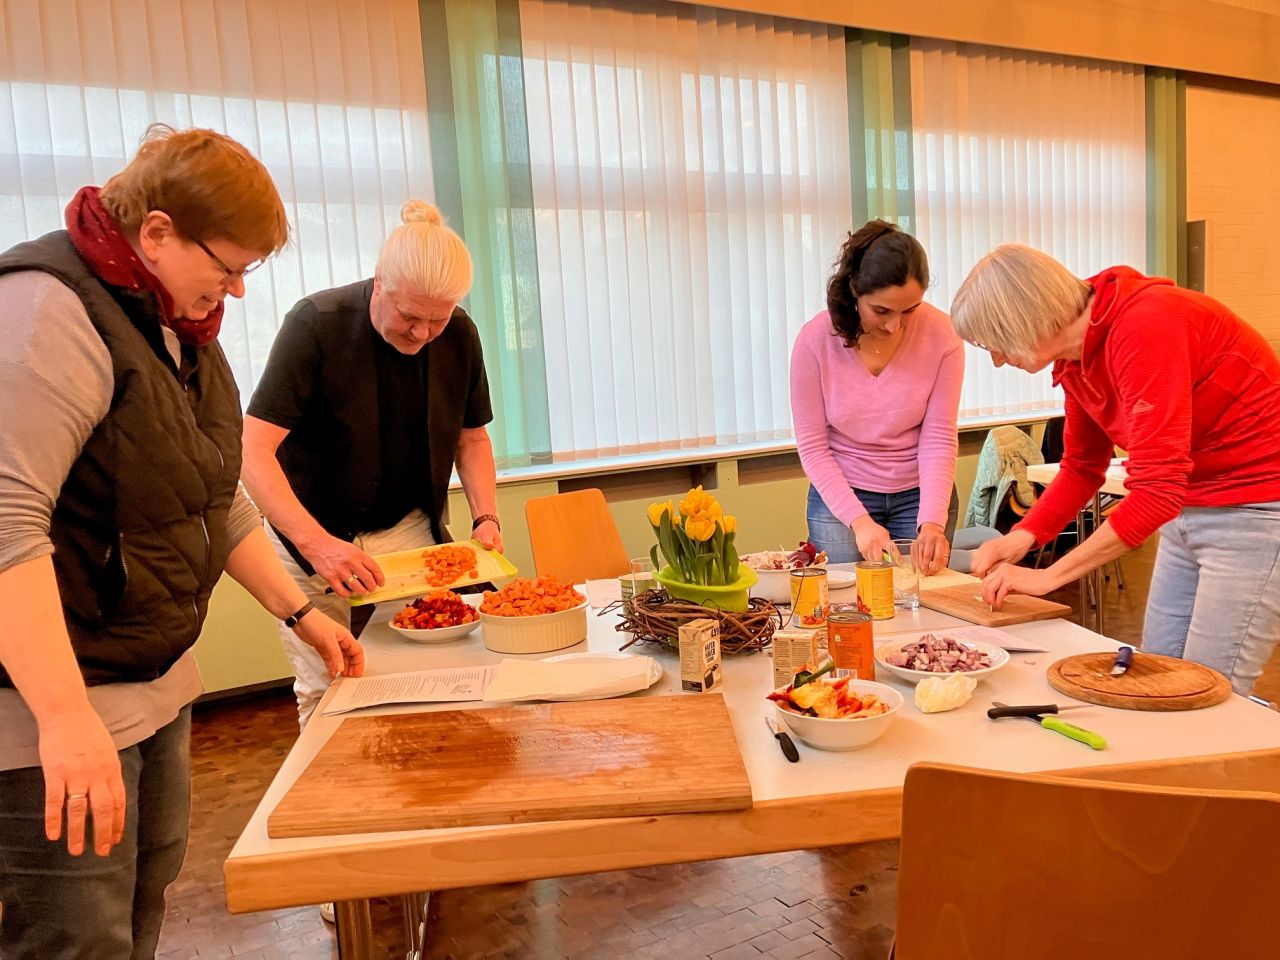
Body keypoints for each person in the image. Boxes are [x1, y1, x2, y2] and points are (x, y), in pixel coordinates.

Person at [0, 126, 364, 959]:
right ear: (156, 231)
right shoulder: (45, 312)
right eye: (227, 267)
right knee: (75, 938)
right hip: (52, 708)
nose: (235, 292)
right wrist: (63, 718)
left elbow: (214, 495)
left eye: (249, 273)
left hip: (154, 686)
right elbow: (6, 524)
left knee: (137, 915)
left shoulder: (173, 324)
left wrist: (302, 612)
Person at [952, 243, 1280, 694]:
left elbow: (1156, 491)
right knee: (1157, 672)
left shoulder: (1144, 326)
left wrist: (1049, 576)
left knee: (1213, 690)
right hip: (1190, 507)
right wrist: (1019, 539)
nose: (997, 359)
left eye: (994, 343)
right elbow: (1083, 466)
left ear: (1021, 320)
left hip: (1256, 510)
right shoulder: (1076, 358)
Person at [242, 201, 501, 727]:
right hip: (307, 529)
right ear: (380, 282)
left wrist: (486, 517)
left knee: (427, 668)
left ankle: (419, 787)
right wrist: (316, 544)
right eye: (409, 317)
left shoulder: (459, 334)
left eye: (438, 319)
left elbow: (471, 439)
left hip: (405, 528)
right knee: (327, 682)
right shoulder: (316, 324)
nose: (422, 334)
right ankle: (328, 800)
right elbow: (253, 450)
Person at [790, 220, 965, 574]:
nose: (894, 326)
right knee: (845, 605)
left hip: (920, 495)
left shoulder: (943, 336)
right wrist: (860, 521)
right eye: (881, 311)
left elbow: (939, 437)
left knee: (919, 602)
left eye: (909, 311)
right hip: (842, 496)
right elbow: (813, 447)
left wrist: (931, 522)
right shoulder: (814, 342)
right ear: (855, 289)